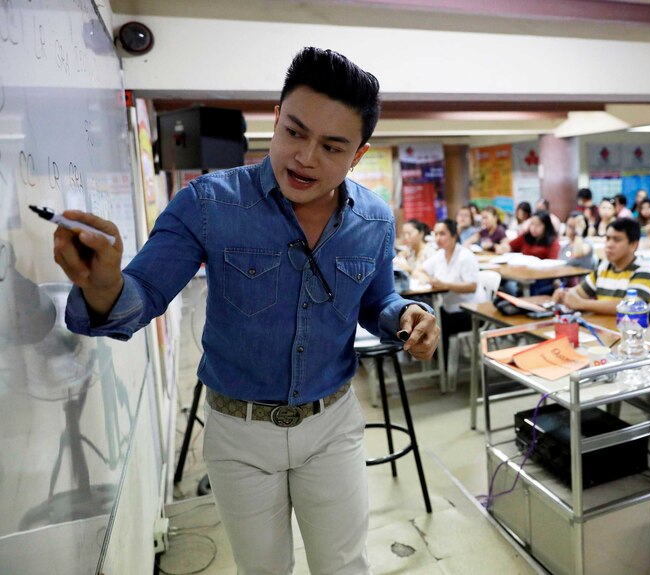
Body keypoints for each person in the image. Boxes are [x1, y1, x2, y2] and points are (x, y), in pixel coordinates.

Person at [52, 47, 440, 575]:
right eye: (295, 132)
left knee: (345, 566)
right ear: (276, 119)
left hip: (333, 426)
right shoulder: (209, 203)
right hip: (240, 433)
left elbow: (377, 302)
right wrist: (104, 286)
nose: (305, 157)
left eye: (331, 146)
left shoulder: (372, 218)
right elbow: (142, 292)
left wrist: (407, 315)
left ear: (358, 154)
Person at [552, 218, 650, 314]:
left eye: (616, 239)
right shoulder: (604, 267)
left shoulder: (645, 270)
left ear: (633, 245)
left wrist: (581, 304)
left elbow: (629, 307)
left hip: (641, 333)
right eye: (608, 238)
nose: (609, 245)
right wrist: (565, 293)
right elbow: (580, 292)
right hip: (611, 328)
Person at [414, 219, 486, 364]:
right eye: (436, 234)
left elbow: (471, 286)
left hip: (471, 312)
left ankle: (444, 367)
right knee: (425, 318)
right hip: (450, 308)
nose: (438, 238)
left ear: (454, 235)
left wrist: (443, 284)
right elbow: (419, 270)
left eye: (443, 234)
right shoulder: (440, 255)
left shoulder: (465, 256)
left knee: (436, 325)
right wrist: (428, 278)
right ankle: (437, 363)